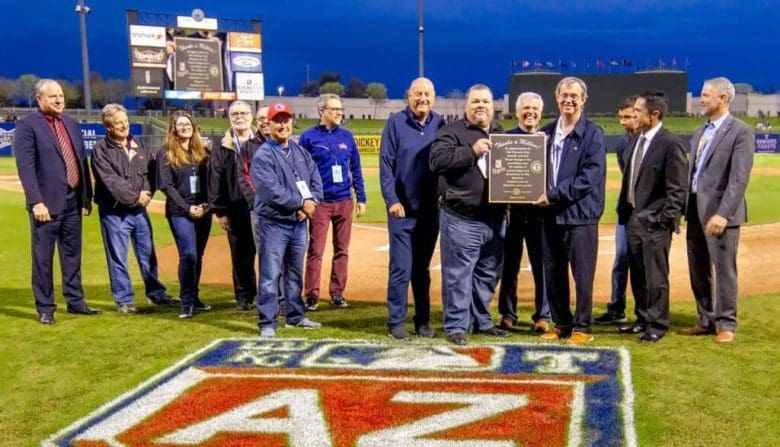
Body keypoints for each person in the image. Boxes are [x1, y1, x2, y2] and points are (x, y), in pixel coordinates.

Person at [14, 79, 100, 324]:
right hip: (46, 204)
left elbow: (80, 162)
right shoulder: (27, 125)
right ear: (39, 98)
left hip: (73, 201)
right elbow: (26, 168)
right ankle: (45, 307)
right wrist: (36, 201)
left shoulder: (71, 124)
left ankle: (75, 301)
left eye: (61, 95)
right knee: (43, 258)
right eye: (52, 96)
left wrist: (86, 196)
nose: (59, 100)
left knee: (72, 255)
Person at [429, 84, 509, 345]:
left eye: (486, 101)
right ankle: (456, 326)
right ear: (466, 105)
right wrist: (471, 151)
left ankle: (482, 322)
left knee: (487, 276)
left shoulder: (501, 134)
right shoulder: (451, 132)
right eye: (475, 101)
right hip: (461, 218)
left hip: (495, 219)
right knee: (458, 276)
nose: (481, 106)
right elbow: (437, 162)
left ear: (492, 106)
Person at [679, 77, 754, 344]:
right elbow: (693, 175)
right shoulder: (700, 132)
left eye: (706, 95)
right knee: (698, 268)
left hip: (721, 214)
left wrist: (723, 213)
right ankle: (706, 319)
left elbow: (738, 178)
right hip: (695, 211)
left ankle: (726, 324)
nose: (701, 99)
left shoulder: (740, 131)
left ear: (723, 98)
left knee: (723, 270)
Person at [535, 76, 606, 345]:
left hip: (580, 216)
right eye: (564, 95)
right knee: (553, 272)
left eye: (574, 96)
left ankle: (583, 327)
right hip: (550, 215)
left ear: (583, 99)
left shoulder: (593, 134)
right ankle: (561, 323)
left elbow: (589, 178)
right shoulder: (548, 132)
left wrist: (552, 195)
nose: (568, 100)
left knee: (582, 275)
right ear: (557, 97)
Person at [616, 91, 688, 343]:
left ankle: (658, 323)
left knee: (655, 276)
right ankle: (643, 318)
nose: (634, 114)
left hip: (655, 223)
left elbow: (677, 189)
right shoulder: (637, 138)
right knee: (637, 273)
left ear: (654, 114)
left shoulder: (670, 143)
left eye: (638, 111)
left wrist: (663, 221)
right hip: (634, 219)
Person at [91, 103, 175, 314]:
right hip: (115, 212)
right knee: (118, 256)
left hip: (139, 211)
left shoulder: (137, 144)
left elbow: (149, 173)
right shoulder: (101, 149)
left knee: (147, 253)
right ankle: (124, 300)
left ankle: (155, 293)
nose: (124, 126)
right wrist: (135, 196)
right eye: (119, 123)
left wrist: (146, 194)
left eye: (126, 121)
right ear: (108, 126)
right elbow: (111, 181)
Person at [380, 77, 444, 340]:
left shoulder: (441, 123)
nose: (423, 99)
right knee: (401, 268)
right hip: (402, 211)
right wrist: (392, 200)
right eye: (418, 94)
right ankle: (396, 321)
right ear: (408, 96)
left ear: (434, 96)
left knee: (422, 270)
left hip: (430, 211)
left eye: (427, 94)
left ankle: (422, 320)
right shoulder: (395, 123)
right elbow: (385, 166)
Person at [251, 102, 323, 338]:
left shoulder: (300, 152)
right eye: (277, 121)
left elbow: (316, 181)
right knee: (271, 275)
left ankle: (295, 316)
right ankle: (268, 322)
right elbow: (270, 191)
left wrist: (310, 205)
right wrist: (301, 204)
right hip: (274, 223)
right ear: (268, 125)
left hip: (299, 222)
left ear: (292, 123)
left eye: (286, 120)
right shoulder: (263, 155)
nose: (283, 125)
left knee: (294, 272)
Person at [299, 94, 367, 310]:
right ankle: (311, 294)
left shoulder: (347, 136)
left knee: (342, 250)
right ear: (321, 111)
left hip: (344, 200)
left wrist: (361, 197)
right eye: (334, 109)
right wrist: (306, 199)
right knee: (316, 250)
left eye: (340, 109)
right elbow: (300, 170)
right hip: (320, 202)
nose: (339, 112)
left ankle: (337, 292)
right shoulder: (308, 137)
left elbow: (356, 168)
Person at [496, 92, 550, 334]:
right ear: (517, 112)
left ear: (541, 112)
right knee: (509, 267)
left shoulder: (549, 140)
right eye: (525, 108)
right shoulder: (505, 140)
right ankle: (508, 313)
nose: (530, 112)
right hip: (513, 214)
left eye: (535, 108)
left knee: (543, 267)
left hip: (541, 215)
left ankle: (543, 315)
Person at [157, 111, 212, 319]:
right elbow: (166, 186)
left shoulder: (203, 151)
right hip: (180, 212)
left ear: (193, 126)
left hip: (203, 210)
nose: (184, 127)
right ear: (173, 128)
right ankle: (186, 302)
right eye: (180, 124)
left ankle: (195, 297)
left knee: (198, 256)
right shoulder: (166, 153)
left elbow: (211, 182)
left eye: (187, 123)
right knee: (188, 255)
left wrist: (207, 205)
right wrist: (188, 208)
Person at [208, 100, 257, 311]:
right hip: (235, 208)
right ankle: (244, 296)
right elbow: (215, 179)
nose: (239, 117)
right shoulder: (222, 145)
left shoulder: (261, 142)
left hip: (260, 208)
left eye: (244, 113)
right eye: (235, 113)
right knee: (240, 255)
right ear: (229, 118)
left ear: (251, 116)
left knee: (268, 253)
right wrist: (220, 211)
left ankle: (271, 296)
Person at [595, 95, 639, 325]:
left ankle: (645, 313)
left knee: (642, 263)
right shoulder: (622, 143)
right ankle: (616, 307)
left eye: (628, 117)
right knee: (620, 259)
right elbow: (626, 177)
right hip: (626, 211)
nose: (623, 122)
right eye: (621, 117)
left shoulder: (651, 140)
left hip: (645, 214)